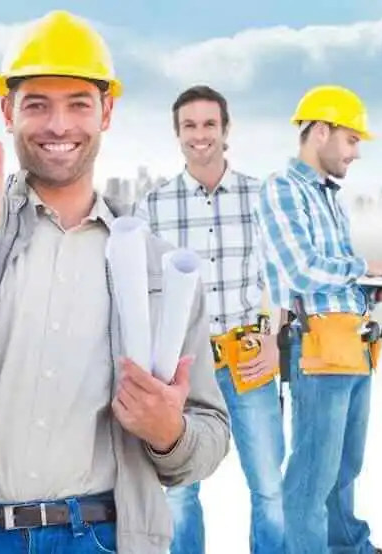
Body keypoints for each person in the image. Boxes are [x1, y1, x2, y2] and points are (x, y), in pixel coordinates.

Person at [0, 10, 232, 554]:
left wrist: (169, 432)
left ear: (108, 112)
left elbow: (210, 436)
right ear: (7, 112)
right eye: (37, 105)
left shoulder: (159, 270)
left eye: (78, 104)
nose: (59, 126)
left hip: (101, 537)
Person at [253, 85, 382, 554]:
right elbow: (300, 269)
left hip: (354, 345)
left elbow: (339, 281)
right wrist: (365, 268)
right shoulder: (282, 189)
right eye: (351, 139)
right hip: (318, 350)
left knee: (345, 468)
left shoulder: (330, 197)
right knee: (311, 476)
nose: (356, 152)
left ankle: (351, 547)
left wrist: (377, 290)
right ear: (321, 132)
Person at [135, 85, 286, 554]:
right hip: (184, 366)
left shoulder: (260, 196)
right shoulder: (153, 206)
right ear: (178, 134)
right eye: (190, 126)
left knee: (270, 488)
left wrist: (274, 338)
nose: (200, 136)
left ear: (226, 130)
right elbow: (144, 294)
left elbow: (278, 276)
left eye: (209, 125)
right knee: (180, 492)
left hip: (248, 361)